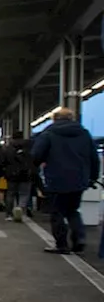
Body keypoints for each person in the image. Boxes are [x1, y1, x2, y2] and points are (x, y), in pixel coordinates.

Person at [31, 107, 99, 254]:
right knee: (73, 211)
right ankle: (79, 239)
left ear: (54, 119)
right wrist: (92, 177)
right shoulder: (85, 134)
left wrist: (38, 167)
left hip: (56, 178)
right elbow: (94, 158)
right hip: (79, 179)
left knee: (57, 212)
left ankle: (61, 244)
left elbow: (36, 155)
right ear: (71, 118)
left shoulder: (48, 134)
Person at [0, 131, 34, 222]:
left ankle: (9, 215)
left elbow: (3, 162)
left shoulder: (7, 148)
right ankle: (20, 208)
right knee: (24, 194)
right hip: (26, 174)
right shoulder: (29, 147)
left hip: (12, 174)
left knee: (10, 194)